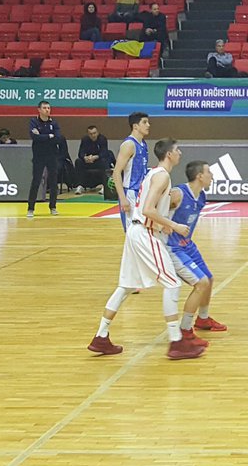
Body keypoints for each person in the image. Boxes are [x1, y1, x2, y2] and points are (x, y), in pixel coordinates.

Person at [86, 138, 204, 360]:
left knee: (126, 286)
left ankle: (101, 336)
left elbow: (149, 208)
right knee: (173, 283)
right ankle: (176, 342)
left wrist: (162, 224)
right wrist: (174, 225)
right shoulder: (162, 176)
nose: (180, 153)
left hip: (136, 230)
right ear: (169, 154)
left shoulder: (153, 173)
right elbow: (148, 209)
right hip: (145, 233)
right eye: (177, 150)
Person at [167, 159, 228, 348]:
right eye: (209, 172)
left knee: (209, 279)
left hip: (187, 245)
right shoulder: (177, 194)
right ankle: (185, 330)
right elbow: (154, 210)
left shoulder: (201, 196)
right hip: (172, 247)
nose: (212, 176)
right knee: (201, 283)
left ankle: (203, 319)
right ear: (200, 176)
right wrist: (169, 226)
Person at [112, 112, 151, 230]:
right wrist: (123, 198)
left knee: (142, 230)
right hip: (130, 192)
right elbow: (116, 172)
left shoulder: (143, 144)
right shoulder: (129, 145)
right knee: (131, 231)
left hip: (141, 192)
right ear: (135, 126)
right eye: (144, 122)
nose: (148, 125)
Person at [27, 101, 63, 218]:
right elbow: (34, 137)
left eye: (48, 108)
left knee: (53, 182)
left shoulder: (54, 123)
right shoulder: (34, 121)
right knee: (36, 181)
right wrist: (49, 136)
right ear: (39, 109)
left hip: (52, 155)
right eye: (44, 108)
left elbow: (58, 138)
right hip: (39, 156)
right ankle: (31, 208)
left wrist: (42, 136)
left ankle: (53, 207)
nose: (47, 110)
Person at [75, 125, 114, 192]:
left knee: (104, 162)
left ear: (97, 132)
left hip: (99, 161)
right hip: (88, 162)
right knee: (78, 161)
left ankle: (104, 186)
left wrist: (96, 157)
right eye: (91, 134)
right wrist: (85, 158)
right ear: (88, 134)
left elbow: (104, 152)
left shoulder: (102, 139)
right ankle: (80, 185)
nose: (93, 135)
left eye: (94, 133)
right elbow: (80, 153)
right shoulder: (84, 139)